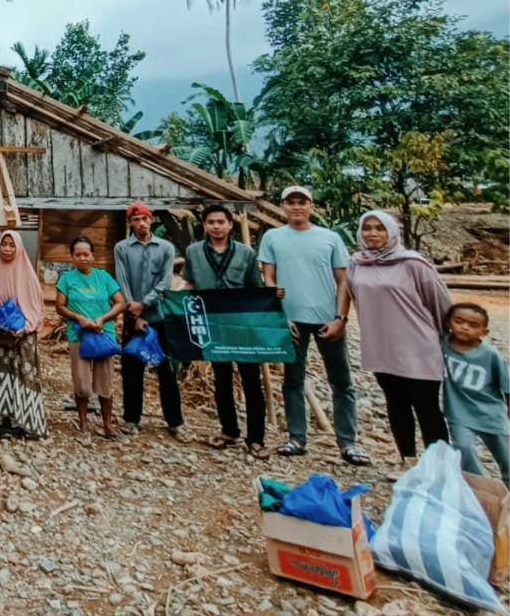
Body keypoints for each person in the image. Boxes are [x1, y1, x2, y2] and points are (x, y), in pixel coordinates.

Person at [259, 186, 369, 465]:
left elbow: (343, 280)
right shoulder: (272, 237)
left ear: (311, 206)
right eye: (291, 202)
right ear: (283, 206)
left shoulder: (329, 238)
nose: (297, 207)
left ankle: (347, 442)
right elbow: (268, 278)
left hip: (326, 319)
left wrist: (340, 318)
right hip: (291, 319)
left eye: (302, 202)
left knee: (341, 381)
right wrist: (279, 315)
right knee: (293, 380)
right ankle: (297, 437)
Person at [346, 210, 451, 478]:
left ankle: (439, 471)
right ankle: (408, 463)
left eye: (379, 228)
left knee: (427, 409)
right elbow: (356, 298)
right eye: (367, 228)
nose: (372, 234)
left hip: (418, 346)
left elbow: (440, 303)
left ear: (391, 232)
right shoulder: (357, 264)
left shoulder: (413, 263)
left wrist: (448, 339)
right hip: (382, 347)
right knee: (396, 405)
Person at [182, 204, 274, 458]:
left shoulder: (245, 253)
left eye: (221, 222)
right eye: (211, 222)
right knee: (222, 379)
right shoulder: (193, 252)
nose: (216, 226)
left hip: (241, 324)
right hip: (213, 325)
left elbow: (254, 289)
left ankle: (256, 438)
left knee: (251, 382)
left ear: (230, 225)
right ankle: (229, 430)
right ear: (204, 225)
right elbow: (188, 280)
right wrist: (174, 297)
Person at [114, 202, 189, 442]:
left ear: (151, 220)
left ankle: (175, 422)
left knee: (166, 370)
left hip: (159, 317)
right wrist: (133, 314)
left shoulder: (166, 248)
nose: (141, 223)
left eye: (145, 219)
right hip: (132, 319)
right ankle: (131, 419)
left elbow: (165, 283)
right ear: (130, 223)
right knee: (132, 369)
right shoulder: (122, 248)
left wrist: (143, 306)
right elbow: (122, 281)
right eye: (136, 220)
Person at [54, 235, 124, 443]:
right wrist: (79, 318)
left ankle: (107, 425)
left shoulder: (103, 277)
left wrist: (102, 318)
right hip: (79, 335)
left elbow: (120, 302)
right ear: (72, 257)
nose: (82, 258)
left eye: (86, 254)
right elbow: (60, 306)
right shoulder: (66, 279)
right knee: (82, 383)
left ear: (93, 256)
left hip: (104, 334)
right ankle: (84, 425)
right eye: (78, 254)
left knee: (105, 383)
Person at [0, 230, 48, 440]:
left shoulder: (27, 274)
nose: (7, 249)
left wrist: (25, 326)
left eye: (11, 245)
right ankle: (5, 421)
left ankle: (28, 422)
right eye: (4, 244)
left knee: (24, 376)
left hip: (23, 335)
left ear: (18, 248)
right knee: (2, 375)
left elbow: (36, 306)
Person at [443, 303, 510, 486]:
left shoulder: (490, 354)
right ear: (448, 322)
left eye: (473, 325)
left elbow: (507, 385)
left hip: (491, 415)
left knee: (506, 457)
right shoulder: (443, 345)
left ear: (484, 332)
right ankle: (485, 489)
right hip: (459, 413)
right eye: (459, 321)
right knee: (464, 449)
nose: (465, 327)